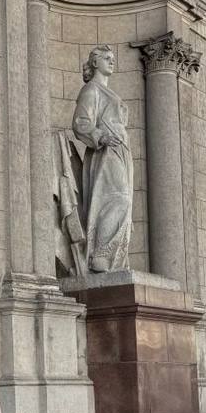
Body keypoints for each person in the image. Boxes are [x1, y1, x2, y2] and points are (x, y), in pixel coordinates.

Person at [72, 44, 133, 272]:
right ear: (95, 62)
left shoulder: (108, 92)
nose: (112, 61)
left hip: (120, 151)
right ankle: (100, 254)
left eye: (113, 58)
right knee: (119, 200)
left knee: (124, 203)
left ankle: (115, 258)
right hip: (105, 152)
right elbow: (81, 123)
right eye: (107, 58)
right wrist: (101, 137)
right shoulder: (91, 90)